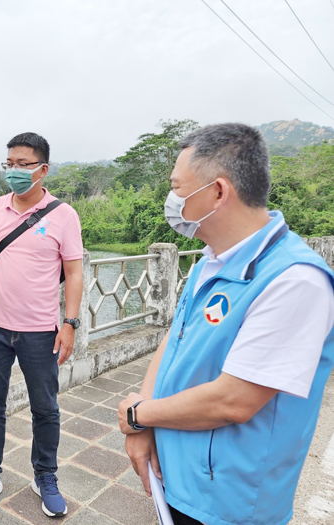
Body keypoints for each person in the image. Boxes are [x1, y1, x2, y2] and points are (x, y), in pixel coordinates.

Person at [117, 123, 334, 525]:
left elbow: (234, 400)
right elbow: (175, 340)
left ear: (217, 192)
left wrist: (138, 416)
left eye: (177, 187)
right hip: (176, 475)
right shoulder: (212, 260)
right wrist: (143, 421)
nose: (172, 199)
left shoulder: (294, 280)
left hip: (229, 499)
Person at [0, 132, 84, 518]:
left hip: (40, 331)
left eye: (22, 165)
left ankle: (45, 476)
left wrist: (70, 323)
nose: (13, 171)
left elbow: (74, 272)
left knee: (45, 408)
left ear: (42, 170)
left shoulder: (63, 215)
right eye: (9, 164)